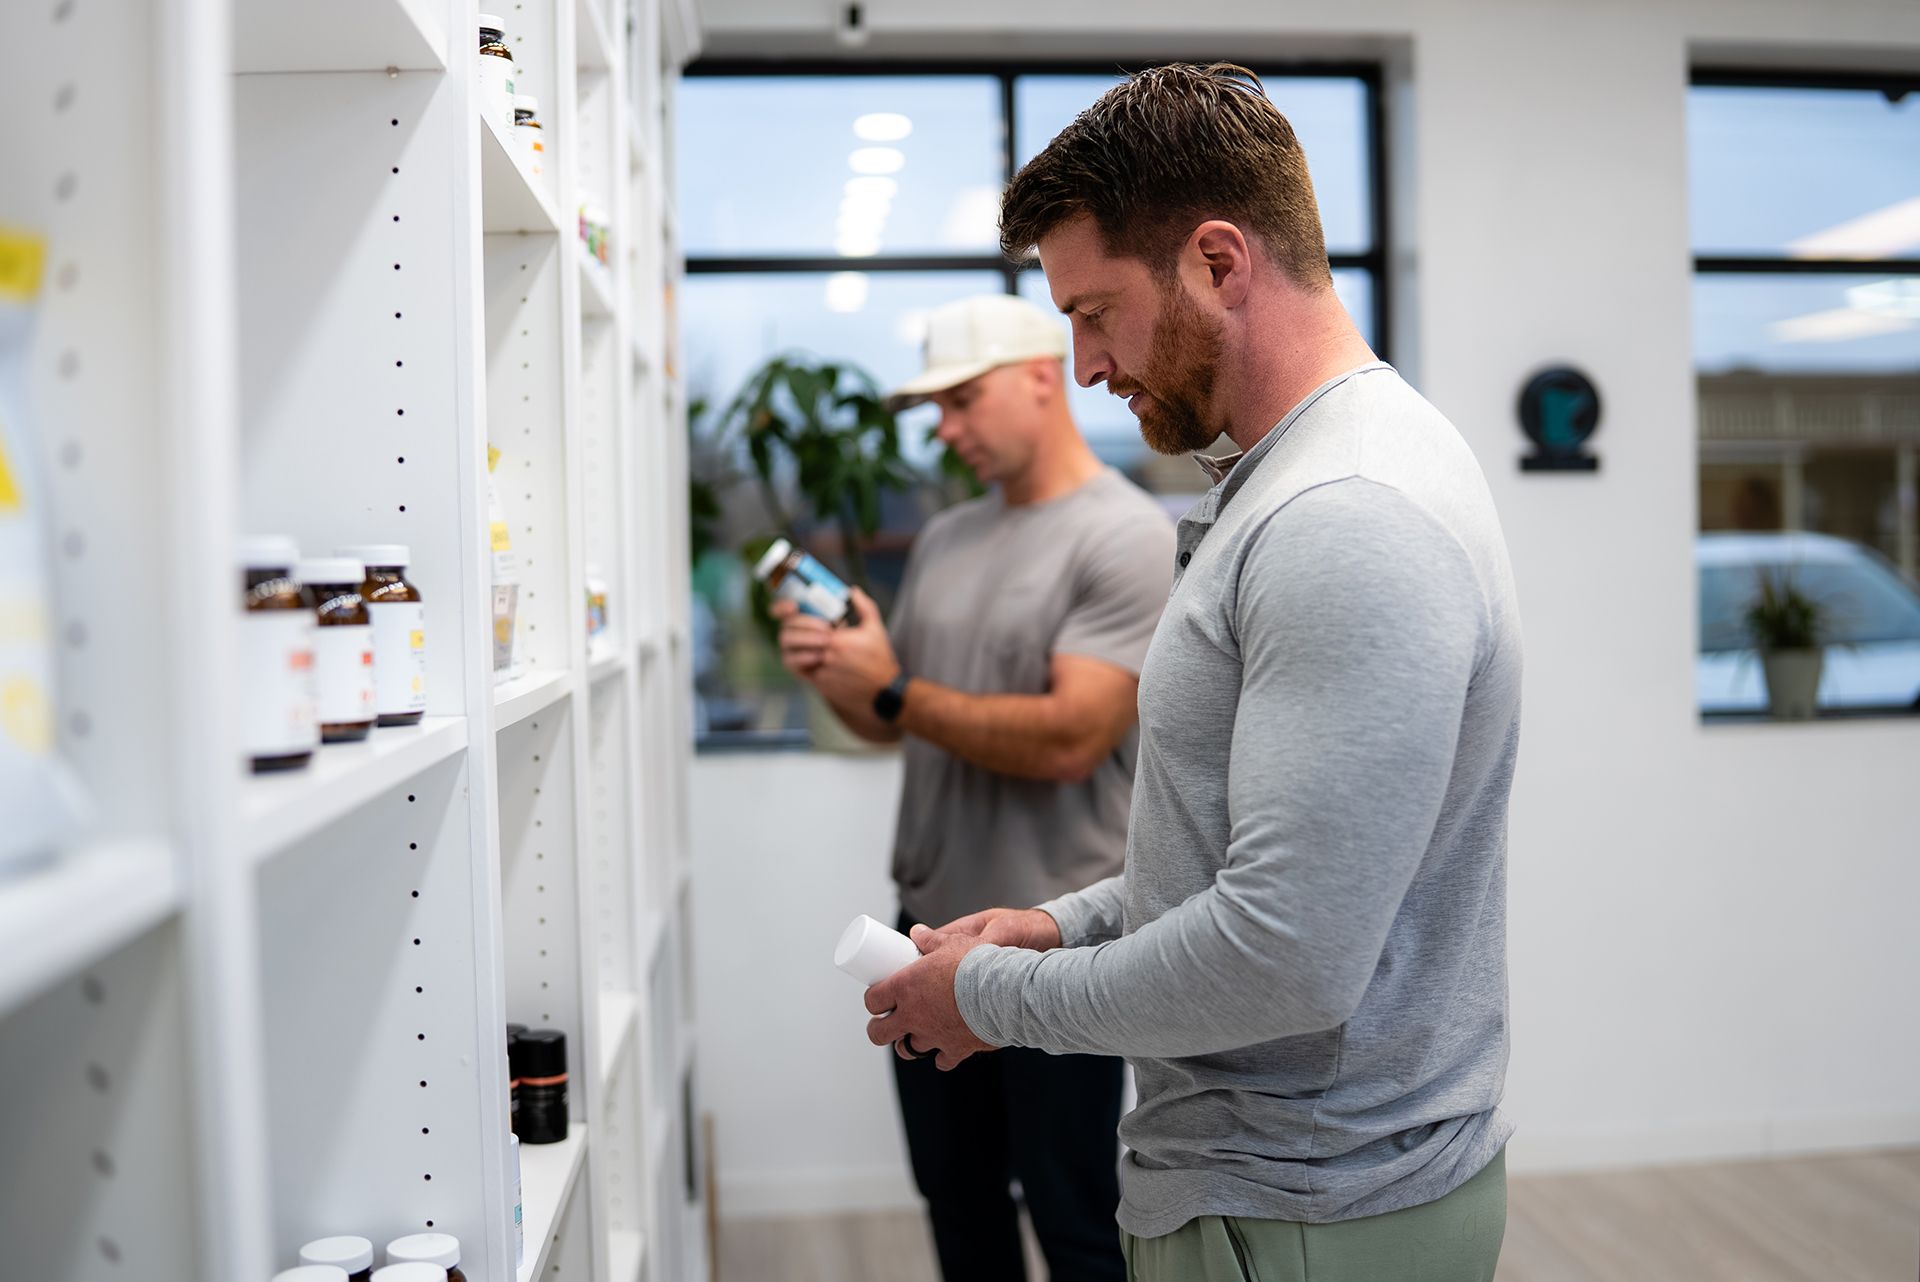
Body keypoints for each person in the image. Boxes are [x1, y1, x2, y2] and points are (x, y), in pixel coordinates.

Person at [862, 64, 1522, 1282]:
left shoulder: (1347, 516)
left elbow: (1284, 952)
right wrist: (1057, 927)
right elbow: (1234, 859)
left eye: (1096, 311)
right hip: (1280, 1196)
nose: (1088, 365)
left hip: (1306, 1210)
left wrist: (994, 998)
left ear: (1219, 261)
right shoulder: (1299, 480)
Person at [774, 292, 1175, 1282]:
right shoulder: (950, 537)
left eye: (961, 400)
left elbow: (1071, 738)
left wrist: (895, 689)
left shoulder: (1124, 536)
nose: (944, 428)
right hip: (923, 931)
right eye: (936, 409)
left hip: (1055, 939)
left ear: (1042, 377)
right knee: (957, 1204)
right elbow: (896, 718)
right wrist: (848, 676)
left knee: (1077, 1218)